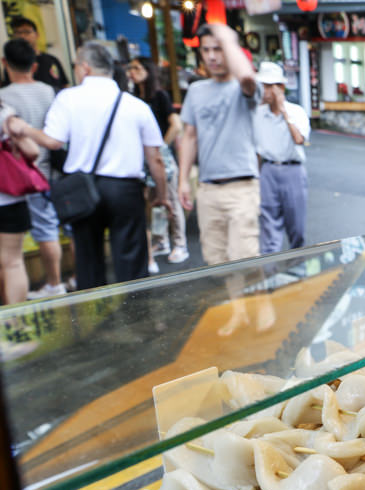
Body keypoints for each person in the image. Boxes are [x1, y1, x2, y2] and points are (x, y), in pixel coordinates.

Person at [8, 41, 168, 290]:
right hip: (126, 190)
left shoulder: (68, 98)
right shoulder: (135, 105)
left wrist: (25, 129)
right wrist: (162, 193)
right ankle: (137, 318)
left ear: (84, 68)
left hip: (83, 188)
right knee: (132, 263)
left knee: (88, 261)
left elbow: (52, 141)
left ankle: (96, 319)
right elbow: (155, 159)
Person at [178, 23, 269, 335]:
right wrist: (181, 181)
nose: (213, 56)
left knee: (244, 255)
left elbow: (246, 77)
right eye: (207, 49)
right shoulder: (196, 91)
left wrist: (228, 37)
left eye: (219, 49)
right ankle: (239, 312)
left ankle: (263, 303)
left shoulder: (243, 89)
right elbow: (189, 136)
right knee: (218, 260)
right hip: (208, 188)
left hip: (242, 186)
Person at [0, 38, 66, 298]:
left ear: (5, 63)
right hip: (36, 174)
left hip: (12, 181)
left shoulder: (4, 96)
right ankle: (55, 282)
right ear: (35, 64)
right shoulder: (47, 92)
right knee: (46, 231)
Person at [127, 56, 188, 266]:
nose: (132, 72)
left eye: (136, 68)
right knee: (155, 202)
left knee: (170, 199)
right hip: (145, 159)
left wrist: (160, 146)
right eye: (131, 68)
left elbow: (176, 124)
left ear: (147, 71)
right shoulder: (134, 98)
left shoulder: (160, 96)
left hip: (161, 158)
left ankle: (180, 243)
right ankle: (162, 241)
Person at [253, 61, 310, 255]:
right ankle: (271, 277)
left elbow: (299, 139)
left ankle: (297, 270)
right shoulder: (258, 114)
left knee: (297, 228)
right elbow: (256, 150)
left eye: (269, 86)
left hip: (292, 170)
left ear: (280, 87)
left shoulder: (296, 112)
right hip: (268, 170)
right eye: (263, 86)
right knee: (269, 228)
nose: (265, 91)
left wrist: (284, 112)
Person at [0, 101, 40, 305]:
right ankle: (13, 324)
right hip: (8, 198)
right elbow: (33, 152)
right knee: (13, 262)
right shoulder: (5, 112)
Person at [3, 17, 69, 91]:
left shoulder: (52, 60)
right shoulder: (13, 64)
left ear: (37, 34)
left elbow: (65, 85)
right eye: (18, 32)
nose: (22, 36)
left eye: (27, 32)